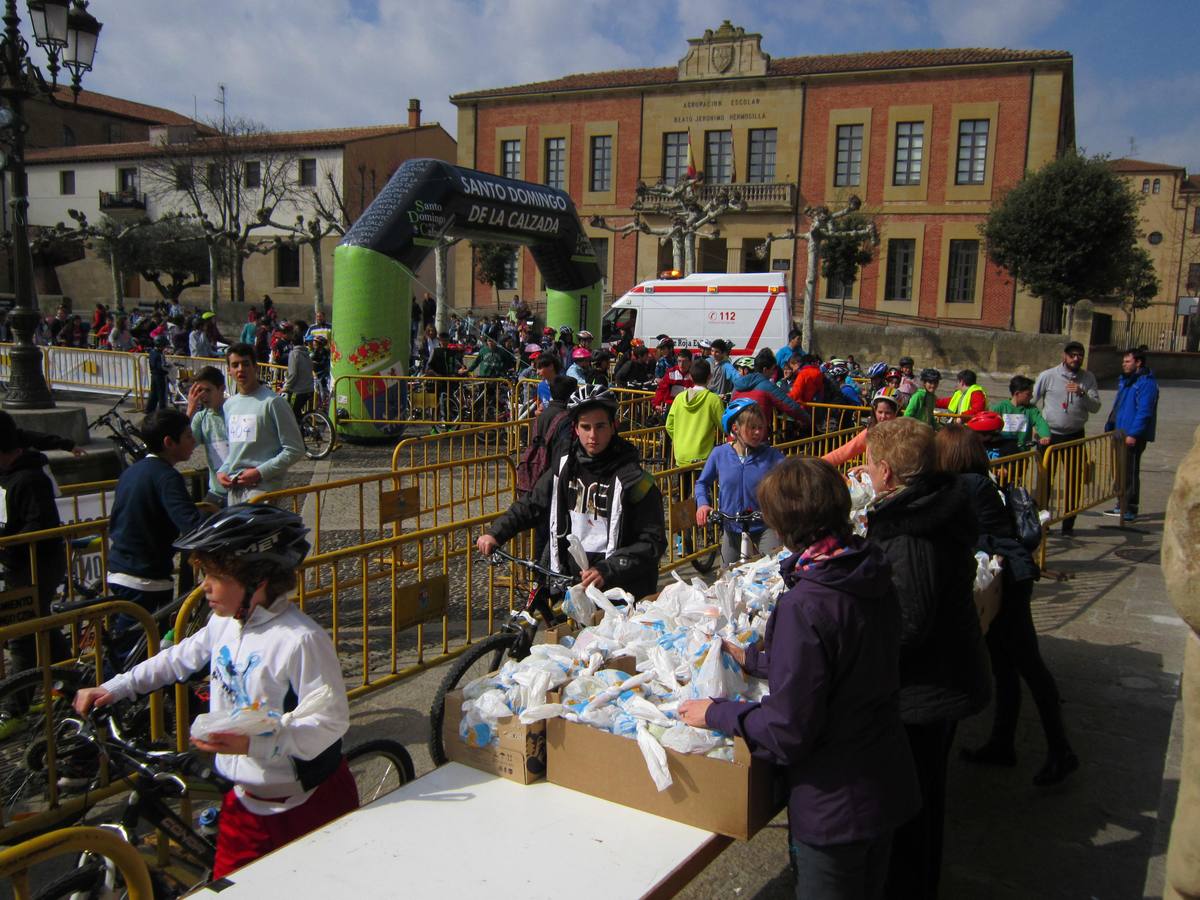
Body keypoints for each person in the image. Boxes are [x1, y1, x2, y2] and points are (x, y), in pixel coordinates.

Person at [73, 505, 357, 879]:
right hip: (244, 805)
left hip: (308, 807)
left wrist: (253, 746)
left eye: (215, 575)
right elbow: (178, 658)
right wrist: (115, 687)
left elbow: (330, 722)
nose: (204, 585)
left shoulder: (300, 640)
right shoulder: (223, 622)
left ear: (258, 579)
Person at [680, 457, 920, 899]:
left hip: (837, 801)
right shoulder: (865, 566)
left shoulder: (807, 603)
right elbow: (846, 656)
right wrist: (755, 658)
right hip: (885, 776)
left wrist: (719, 714)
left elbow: (788, 728)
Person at [862, 417, 991, 899]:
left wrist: (854, 646)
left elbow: (909, 622)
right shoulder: (936, 505)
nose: (867, 471)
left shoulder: (910, 532)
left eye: (871, 463)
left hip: (924, 689)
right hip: (943, 677)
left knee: (910, 806)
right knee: (924, 797)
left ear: (889, 473)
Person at [936, 425, 1078, 787]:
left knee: (1027, 663)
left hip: (1009, 579)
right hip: (1009, 576)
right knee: (1004, 664)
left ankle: (1061, 750)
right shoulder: (980, 481)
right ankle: (1003, 742)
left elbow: (980, 535)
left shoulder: (969, 486)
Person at [477, 385, 666, 605]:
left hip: (621, 590)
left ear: (614, 427)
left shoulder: (636, 480)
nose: (592, 435)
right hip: (573, 579)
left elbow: (653, 542)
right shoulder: (565, 467)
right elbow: (532, 504)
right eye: (585, 427)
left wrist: (608, 569)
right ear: (575, 429)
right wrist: (496, 533)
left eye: (600, 426)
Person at [106, 409, 208, 661]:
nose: (193, 441)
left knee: (137, 650)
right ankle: (104, 698)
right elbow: (191, 523)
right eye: (187, 436)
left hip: (120, 569)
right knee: (133, 657)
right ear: (168, 442)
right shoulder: (166, 477)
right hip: (145, 577)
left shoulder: (133, 471)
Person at [0, 414, 70, 737]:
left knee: (23, 637)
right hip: (23, 567)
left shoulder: (28, 479)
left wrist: (9, 545)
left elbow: (38, 525)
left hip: (32, 568)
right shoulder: (13, 476)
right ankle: (71, 685)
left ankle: (15, 710)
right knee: (44, 628)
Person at [695, 398, 785, 565]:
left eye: (761, 427)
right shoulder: (719, 454)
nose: (758, 432)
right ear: (735, 429)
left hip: (765, 526)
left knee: (774, 571)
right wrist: (703, 504)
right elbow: (702, 483)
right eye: (752, 428)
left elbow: (792, 477)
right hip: (732, 528)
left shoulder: (771, 455)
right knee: (725, 578)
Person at [218, 343, 305, 505]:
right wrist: (223, 470)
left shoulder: (273, 402)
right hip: (235, 488)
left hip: (263, 490)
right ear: (229, 371)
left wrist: (260, 472)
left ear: (255, 367)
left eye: (245, 364)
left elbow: (295, 449)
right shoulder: (229, 405)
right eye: (235, 365)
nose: (240, 369)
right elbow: (235, 450)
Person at [1033, 341, 1101, 536]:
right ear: (1064, 356)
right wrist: (1037, 426)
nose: (1076, 358)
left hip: (1075, 435)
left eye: (1080, 355)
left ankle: (1068, 524)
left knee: (1074, 480)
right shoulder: (1048, 376)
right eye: (1072, 355)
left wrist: (1082, 394)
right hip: (1049, 436)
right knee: (1045, 480)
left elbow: (1095, 407)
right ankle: (1042, 524)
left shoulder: (1088, 378)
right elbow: (1031, 402)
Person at [1104, 347, 1159, 523]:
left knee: (1130, 472)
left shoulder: (1145, 383)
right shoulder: (1126, 381)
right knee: (1120, 470)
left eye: (1127, 361)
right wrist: (1110, 424)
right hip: (1120, 432)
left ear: (1138, 362)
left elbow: (1144, 411)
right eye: (1123, 361)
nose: (1124, 364)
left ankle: (1130, 507)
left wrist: (1134, 433)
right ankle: (1121, 504)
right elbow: (1119, 405)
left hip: (1132, 435)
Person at [665, 358, 724, 469]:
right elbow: (724, 425)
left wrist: (680, 438)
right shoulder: (713, 399)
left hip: (681, 455)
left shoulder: (680, 397)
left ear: (690, 377)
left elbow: (669, 425)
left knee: (683, 486)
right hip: (703, 457)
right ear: (710, 376)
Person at [187, 366, 230, 507]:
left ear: (221, 388)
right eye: (199, 391)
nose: (203, 395)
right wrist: (190, 412)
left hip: (240, 490)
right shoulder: (201, 417)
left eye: (208, 390)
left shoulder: (234, 412)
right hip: (216, 491)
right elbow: (186, 445)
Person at [821, 390, 899, 469]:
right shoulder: (870, 433)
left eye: (888, 413)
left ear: (896, 412)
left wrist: (868, 469)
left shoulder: (903, 435)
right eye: (880, 412)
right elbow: (842, 453)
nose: (883, 417)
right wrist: (815, 465)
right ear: (874, 411)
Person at [731, 351, 809, 429]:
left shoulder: (737, 386)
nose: (774, 372)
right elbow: (789, 405)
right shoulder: (767, 386)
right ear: (765, 370)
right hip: (756, 435)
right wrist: (807, 419)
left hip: (735, 434)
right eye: (773, 369)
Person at [989, 375, 1052, 456]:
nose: (1031, 397)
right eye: (1028, 394)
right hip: (1002, 455)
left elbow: (1040, 422)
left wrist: (1045, 435)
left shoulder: (1031, 410)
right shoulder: (1000, 407)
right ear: (1017, 393)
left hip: (1022, 455)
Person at [283, 324, 315, 421]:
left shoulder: (294, 354)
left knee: (289, 414)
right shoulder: (307, 353)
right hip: (309, 389)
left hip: (298, 391)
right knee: (297, 413)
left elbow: (293, 374)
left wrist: (286, 387)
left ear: (292, 342)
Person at [145, 335, 170, 414]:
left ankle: (149, 409)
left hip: (154, 376)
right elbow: (160, 367)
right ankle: (163, 411)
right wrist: (167, 369)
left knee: (153, 394)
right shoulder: (158, 354)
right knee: (162, 394)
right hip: (160, 376)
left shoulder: (152, 352)